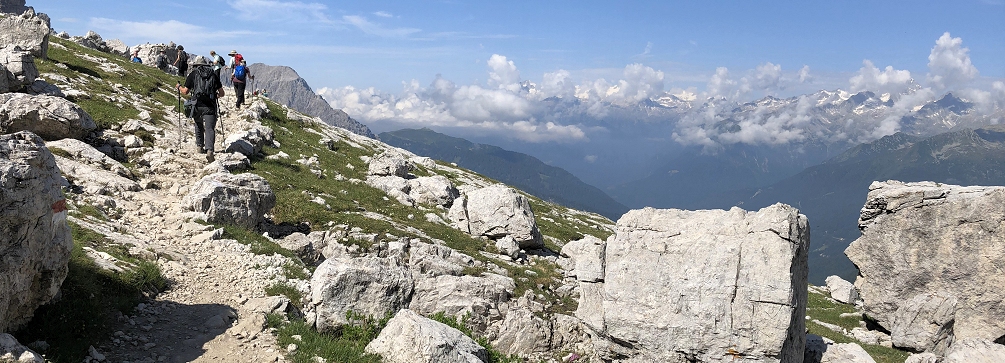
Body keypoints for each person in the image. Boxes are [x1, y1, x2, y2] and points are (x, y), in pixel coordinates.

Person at [177, 56, 224, 162]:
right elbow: (222, 93)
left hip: (196, 104)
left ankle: (199, 147)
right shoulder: (213, 74)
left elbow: (185, 91)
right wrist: (215, 96)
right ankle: (210, 150)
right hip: (210, 105)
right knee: (209, 128)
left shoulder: (193, 74)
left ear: (196, 65)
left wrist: (179, 87)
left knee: (198, 124)